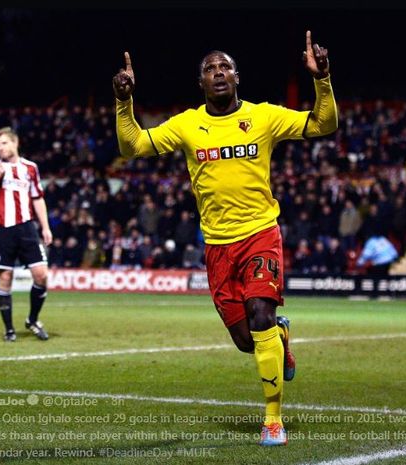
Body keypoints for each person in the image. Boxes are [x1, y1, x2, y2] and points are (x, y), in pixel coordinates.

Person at [113, 30, 338, 446]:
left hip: (260, 234)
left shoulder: (264, 116)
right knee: (245, 340)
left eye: (224, 67)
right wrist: (123, 102)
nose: (218, 73)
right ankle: (280, 339)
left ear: (237, 77)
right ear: (201, 83)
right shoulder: (187, 124)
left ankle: (273, 419)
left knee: (259, 314)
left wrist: (321, 78)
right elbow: (132, 147)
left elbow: (324, 123)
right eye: (209, 69)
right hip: (217, 246)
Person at [0, 127, 53, 342]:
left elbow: (37, 198)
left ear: (15, 143)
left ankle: (32, 319)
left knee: (41, 275)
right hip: (2, 228)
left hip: (27, 227)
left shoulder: (30, 168)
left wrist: (45, 227)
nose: (1, 148)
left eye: (4, 143)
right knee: (5, 278)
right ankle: (9, 330)